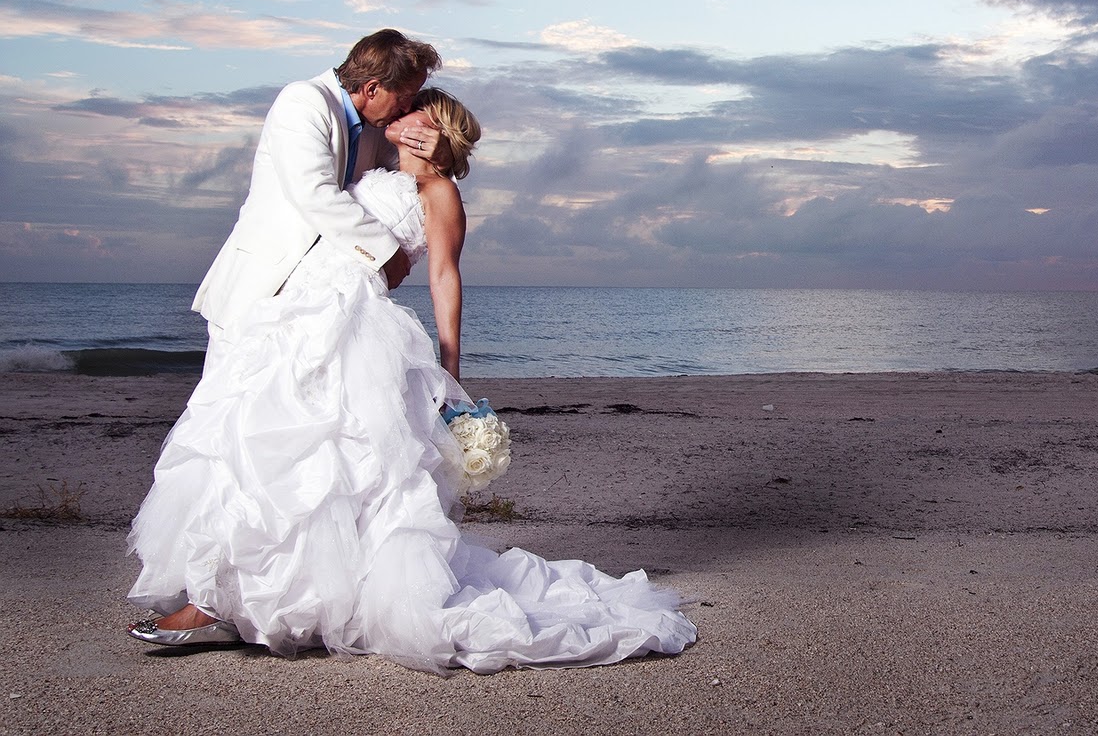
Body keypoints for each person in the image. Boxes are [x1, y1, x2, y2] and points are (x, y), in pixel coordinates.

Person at [125, 90, 697, 672]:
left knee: (338, 464)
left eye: (415, 109)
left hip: (353, 326)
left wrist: (451, 373)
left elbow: (444, 277)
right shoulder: (369, 160)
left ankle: (253, 604)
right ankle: (235, 597)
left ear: (437, 127)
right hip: (290, 318)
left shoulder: (439, 192)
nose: (397, 115)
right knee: (259, 452)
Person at [190, 29, 446, 365]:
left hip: (314, 301)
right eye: (405, 96)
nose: (407, 107)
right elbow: (314, 193)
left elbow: (413, 180)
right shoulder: (303, 101)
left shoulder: (374, 128)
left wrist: (439, 155)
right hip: (263, 287)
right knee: (233, 403)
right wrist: (387, 253)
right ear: (372, 89)